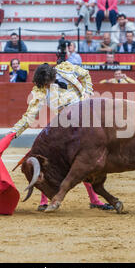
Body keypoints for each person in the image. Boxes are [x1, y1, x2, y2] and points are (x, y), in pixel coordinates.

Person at [9, 62, 113, 211]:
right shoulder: (40, 90)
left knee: (86, 162)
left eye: (48, 82)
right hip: (65, 127)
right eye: (44, 84)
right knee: (48, 161)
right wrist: (13, 133)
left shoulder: (66, 69)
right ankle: (45, 199)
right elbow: (29, 117)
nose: (47, 86)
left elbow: (85, 74)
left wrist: (87, 93)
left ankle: (94, 199)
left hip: (85, 123)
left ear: (52, 75)